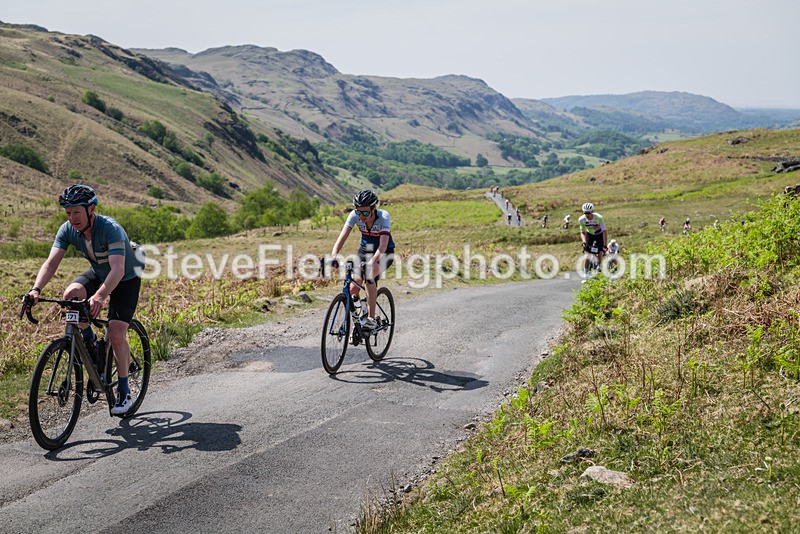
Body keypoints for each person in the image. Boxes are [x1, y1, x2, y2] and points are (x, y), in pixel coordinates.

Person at [24, 185, 144, 415]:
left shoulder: (111, 229)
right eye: (68, 213)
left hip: (126, 276)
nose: (72, 218)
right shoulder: (67, 230)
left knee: (117, 331)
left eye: (76, 212)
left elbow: (117, 270)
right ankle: (92, 343)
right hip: (100, 271)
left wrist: (99, 296)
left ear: (91, 209)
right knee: (71, 296)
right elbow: (51, 263)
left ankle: (125, 391)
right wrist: (35, 289)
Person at [330, 189, 395, 331]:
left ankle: (371, 319)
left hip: (384, 253)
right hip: (365, 251)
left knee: (369, 275)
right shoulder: (355, 215)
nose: (362, 216)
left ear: (374, 209)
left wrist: (372, 262)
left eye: (365, 212)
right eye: (359, 212)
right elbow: (342, 237)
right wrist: (334, 255)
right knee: (353, 287)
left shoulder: (384, 217)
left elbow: (383, 246)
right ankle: (361, 314)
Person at [578, 202, 608, 275]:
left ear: (592, 212)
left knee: (600, 252)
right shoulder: (581, 219)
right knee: (587, 254)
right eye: (585, 213)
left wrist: (605, 245)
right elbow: (582, 232)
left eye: (589, 213)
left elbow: (604, 231)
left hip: (599, 234)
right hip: (590, 234)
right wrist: (584, 242)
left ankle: (600, 266)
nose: (587, 215)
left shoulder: (598, 217)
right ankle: (585, 273)